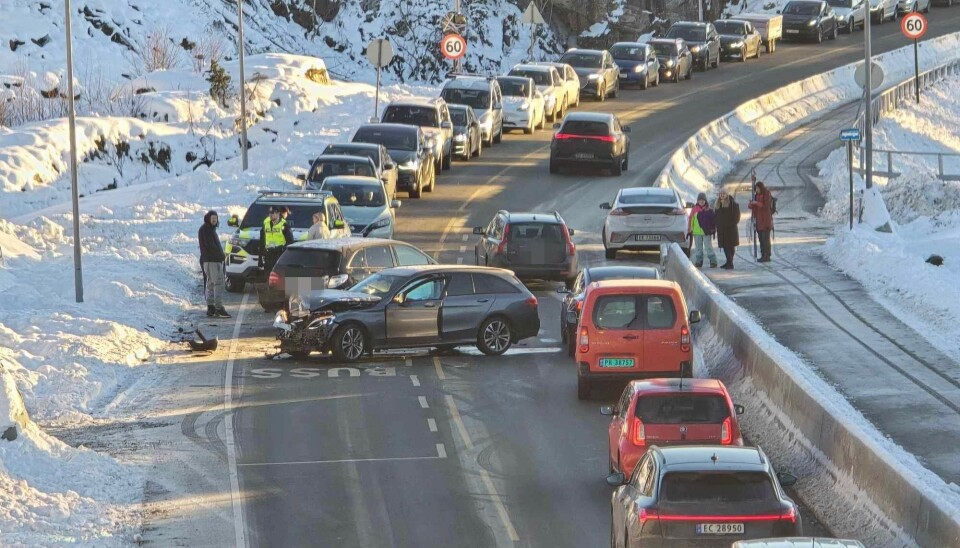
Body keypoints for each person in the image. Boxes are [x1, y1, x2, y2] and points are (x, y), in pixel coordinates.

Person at [198, 210, 230, 318]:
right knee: (218, 283)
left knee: (210, 283)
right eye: (212, 219)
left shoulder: (207, 229)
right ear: (208, 218)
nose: (214, 221)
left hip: (208, 260)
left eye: (215, 219)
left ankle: (210, 307)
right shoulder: (207, 230)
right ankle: (218, 308)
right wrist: (221, 256)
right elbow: (211, 246)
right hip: (213, 261)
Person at [260, 206, 294, 278]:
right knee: (268, 276)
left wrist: (282, 249)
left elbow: (290, 241)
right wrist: (260, 258)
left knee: (279, 277)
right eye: (269, 213)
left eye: (272, 213)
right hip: (268, 254)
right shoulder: (266, 223)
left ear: (278, 213)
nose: (270, 215)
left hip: (279, 254)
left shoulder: (284, 225)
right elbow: (262, 241)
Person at [687, 192, 717, 268]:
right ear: (697, 201)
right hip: (696, 232)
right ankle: (698, 261)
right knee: (698, 248)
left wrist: (713, 229)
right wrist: (690, 229)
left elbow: (713, 221)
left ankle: (713, 261)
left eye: (703, 200)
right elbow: (690, 219)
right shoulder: (694, 209)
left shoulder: (709, 209)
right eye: (700, 200)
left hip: (706, 232)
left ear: (705, 201)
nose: (701, 201)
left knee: (708, 247)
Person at [748, 181, 775, 262]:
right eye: (755, 189)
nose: (756, 190)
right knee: (761, 239)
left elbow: (766, 206)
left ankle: (767, 255)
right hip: (759, 220)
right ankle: (763, 254)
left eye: (757, 188)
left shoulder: (766, 194)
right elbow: (752, 207)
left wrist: (757, 203)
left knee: (765, 239)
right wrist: (751, 204)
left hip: (766, 220)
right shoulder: (756, 195)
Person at [715, 189, 741, 270]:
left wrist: (731, 224)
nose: (722, 195)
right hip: (721, 230)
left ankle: (730, 263)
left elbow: (737, 217)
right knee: (726, 246)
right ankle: (729, 262)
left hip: (730, 229)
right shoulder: (717, 205)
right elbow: (716, 217)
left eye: (724, 194)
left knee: (730, 246)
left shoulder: (732, 204)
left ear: (727, 195)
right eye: (720, 194)